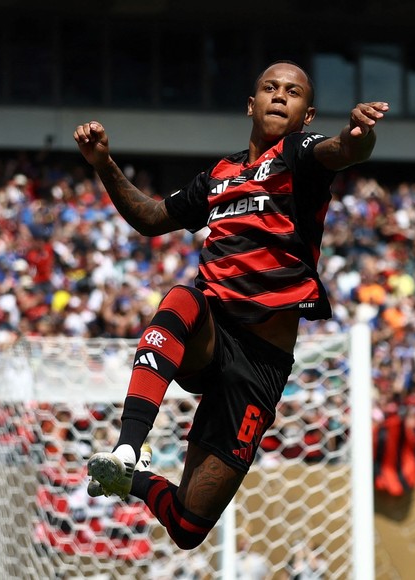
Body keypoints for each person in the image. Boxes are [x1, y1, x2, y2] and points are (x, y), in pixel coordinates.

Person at [74, 60, 388, 550]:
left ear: (307, 115)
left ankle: (131, 481)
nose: (279, 96)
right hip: (212, 334)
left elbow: (344, 150)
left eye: (292, 92)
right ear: (250, 104)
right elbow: (152, 217)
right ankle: (127, 447)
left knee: (188, 527)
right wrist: (104, 165)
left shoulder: (300, 155)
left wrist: (359, 134)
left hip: (259, 365)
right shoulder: (218, 176)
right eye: (270, 88)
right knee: (182, 298)